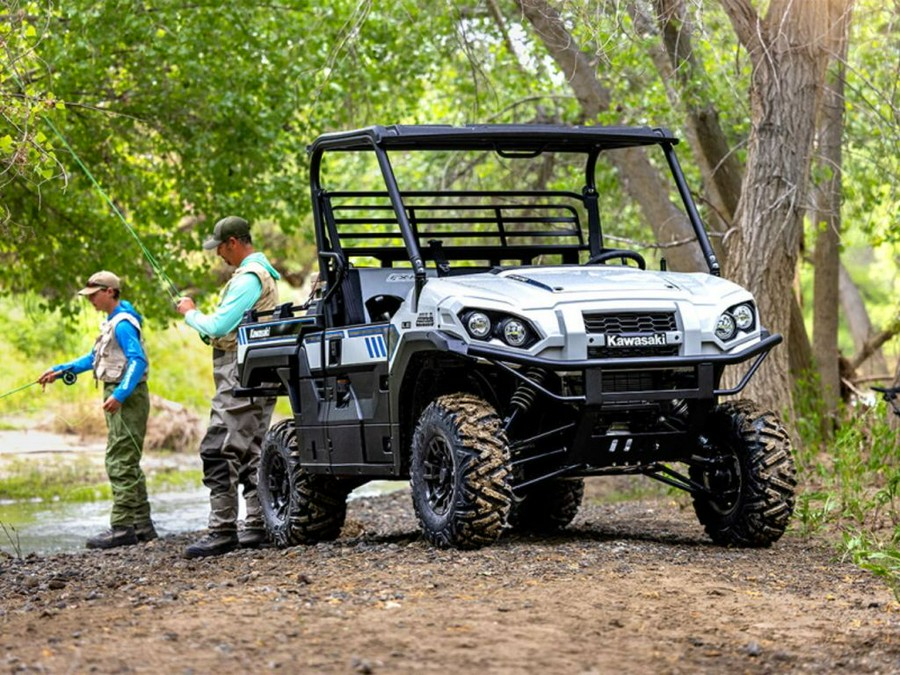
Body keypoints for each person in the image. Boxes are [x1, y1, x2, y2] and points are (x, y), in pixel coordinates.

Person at [176, 216, 280, 559]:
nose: (218, 254)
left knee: (217, 448)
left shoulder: (249, 278)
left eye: (220, 247)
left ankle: (221, 530)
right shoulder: (260, 274)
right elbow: (226, 327)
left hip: (240, 374)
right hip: (255, 370)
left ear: (233, 242)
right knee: (252, 449)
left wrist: (191, 314)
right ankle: (256, 525)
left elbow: (220, 323)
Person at [39, 271, 156, 549]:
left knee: (119, 460)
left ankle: (122, 528)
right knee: (126, 459)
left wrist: (120, 394)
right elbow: (94, 359)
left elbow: (137, 361)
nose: (90, 300)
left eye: (94, 295)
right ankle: (142, 526)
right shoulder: (112, 322)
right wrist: (60, 370)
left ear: (110, 292)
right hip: (122, 396)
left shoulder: (124, 324)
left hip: (128, 399)